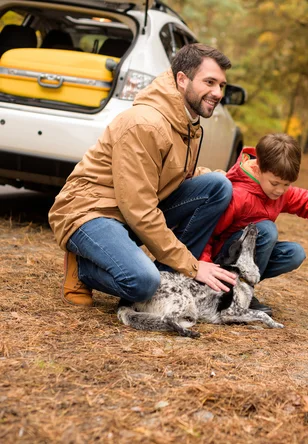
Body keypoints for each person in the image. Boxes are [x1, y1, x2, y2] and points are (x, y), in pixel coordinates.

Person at [48, 44, 238, 307]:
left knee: (218, 186)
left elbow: (178, 173)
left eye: (221, 85)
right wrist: (193, 266)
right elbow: (138, 208)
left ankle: (168, 280)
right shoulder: (145, 123)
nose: (217, 93)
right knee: (142, 283)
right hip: (90, 211)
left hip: (127, 210)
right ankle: (83, 268)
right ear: (182, 80)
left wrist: (235, 178)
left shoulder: (186, 121)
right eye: (209, 82)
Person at [199, 133, 308, 314]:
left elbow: (306, 201)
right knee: (266, 230)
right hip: (221, 258)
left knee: (294, 254)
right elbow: (208, 231)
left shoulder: (276, 191)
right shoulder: (239, 195)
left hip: (245, 258)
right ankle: (230, 290)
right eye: (275, 183)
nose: (280, 190)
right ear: (257, 170)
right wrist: (205, 266)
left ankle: (241, 289)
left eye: (286, 184)